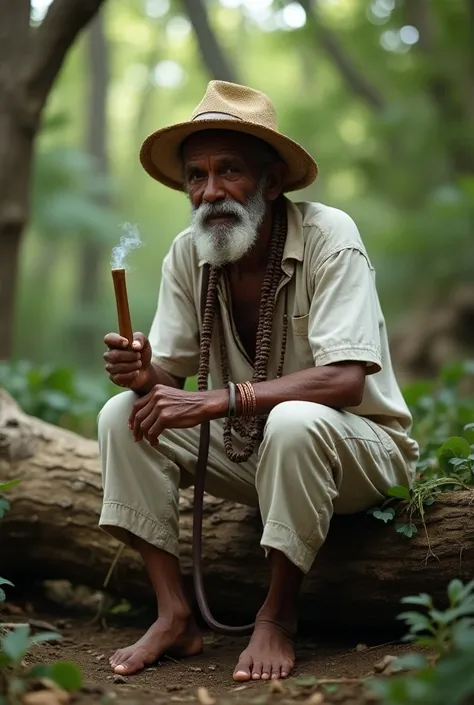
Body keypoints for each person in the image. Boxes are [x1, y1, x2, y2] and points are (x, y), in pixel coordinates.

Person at [98, 80, 419, 682]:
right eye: (196, 176)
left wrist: (222, 398)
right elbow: (169, 372)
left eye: (230, 171)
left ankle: (276, 616)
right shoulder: (188, 254)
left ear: (271, 183)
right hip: (258, 451)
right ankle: (174, 615)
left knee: (295, 421)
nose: (211, 191)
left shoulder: (329, 237)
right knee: (122, 416)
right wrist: (144, 374)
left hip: (360, 454)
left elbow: (346, 381)